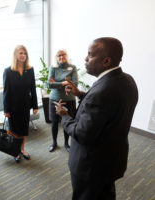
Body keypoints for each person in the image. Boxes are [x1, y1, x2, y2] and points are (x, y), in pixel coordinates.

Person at [56, 37, 138, 200]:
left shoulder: (101, 93)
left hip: (91, 166)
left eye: (90, 55)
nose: (85, 59)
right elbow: (107, 108)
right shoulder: (127, 80)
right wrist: (80, 94)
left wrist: (64, 116)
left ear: (106, 61)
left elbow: (82, 133)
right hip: (112, 160)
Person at [3, 45, 38, 163]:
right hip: (13, 107)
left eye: (25, 53)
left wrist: (35, 106)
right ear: (16, 55)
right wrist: (6, 109)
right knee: (14, 130)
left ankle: (22, 149)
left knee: (23, 129)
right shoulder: (8, 71)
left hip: (25, 106)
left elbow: (33, 88)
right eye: (21, 53)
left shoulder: (30, 69)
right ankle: (16, 151)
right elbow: (6, 92)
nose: (23, 55)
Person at [48, 49, 78, 153]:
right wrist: (64, 83)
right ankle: (54, 143)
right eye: (58, 55)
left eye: (63, 54)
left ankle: (66, 143)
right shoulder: (53, 67)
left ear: (66, 55)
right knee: (54, 123)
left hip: (69, 100)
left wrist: (56, 83)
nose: (61, 57)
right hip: (54, 99)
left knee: (67, 122)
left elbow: (74, 84)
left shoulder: (72, 67)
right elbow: (49, 84)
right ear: (56, 58)